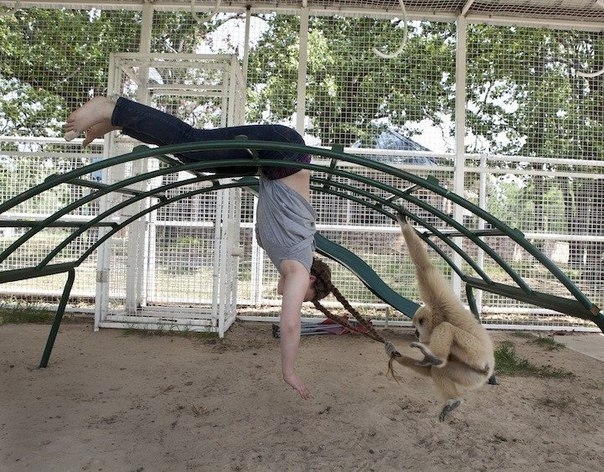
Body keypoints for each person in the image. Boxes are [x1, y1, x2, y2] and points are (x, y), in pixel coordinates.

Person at [65, 96, 335, 400]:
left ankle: (117, 121)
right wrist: (289, 371)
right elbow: (289, 325)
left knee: (192, 157)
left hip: (276, 157)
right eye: (302, 295)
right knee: (191, 140)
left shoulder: (288, 256)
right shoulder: (298, 265)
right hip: (281, 148)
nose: (289, 296)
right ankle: (110, 107)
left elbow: (280, 289)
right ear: (310, 281)